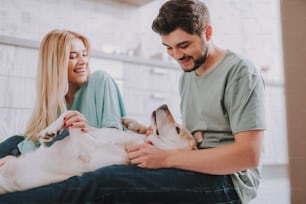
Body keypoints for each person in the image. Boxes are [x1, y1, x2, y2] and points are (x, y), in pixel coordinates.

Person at [0, 1, 265, 203]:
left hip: (229, 182)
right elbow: (199, 136)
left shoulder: (240, 72)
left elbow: (248, 156)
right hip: (192, 163)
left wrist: (166, 158)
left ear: (207, 32)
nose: (176, 55)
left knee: (103, 182)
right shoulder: (189, 74)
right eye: (168, 47)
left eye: (183, 45)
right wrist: (159, 140)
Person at [0, 29, 126, 164]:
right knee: (15, 142)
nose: (83, 61)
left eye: (84, 54)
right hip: (52, 152)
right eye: (73, 56)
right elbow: (37, 138)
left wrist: (78, 130)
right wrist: (17, 159)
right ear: (56, 63)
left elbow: (114, 136)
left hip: (88, 154)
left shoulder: (100, 80)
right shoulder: (55, 97)